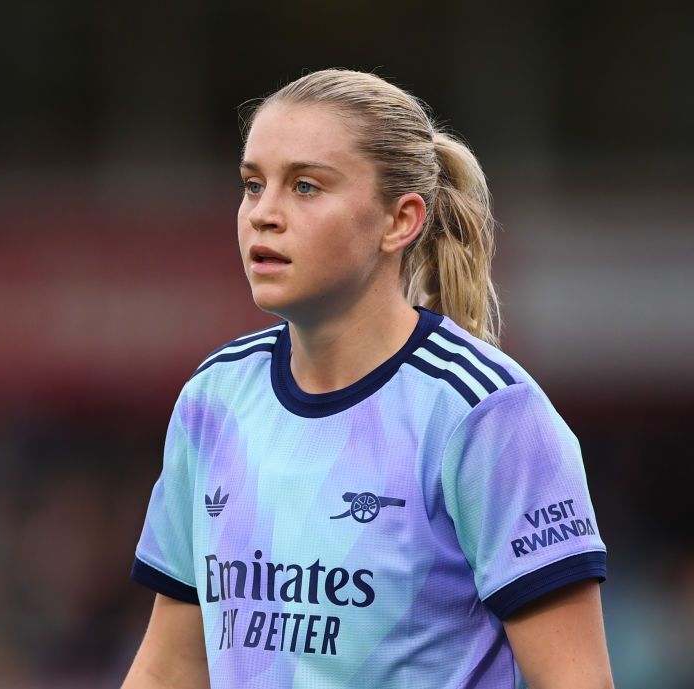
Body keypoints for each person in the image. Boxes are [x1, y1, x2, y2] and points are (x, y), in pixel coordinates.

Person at [122, 69, 613, 688]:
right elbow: (170, 670)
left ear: (399, 221)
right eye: (252, 185)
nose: (263, 215)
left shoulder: (487, 414)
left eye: (305, 186)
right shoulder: (213, 398)